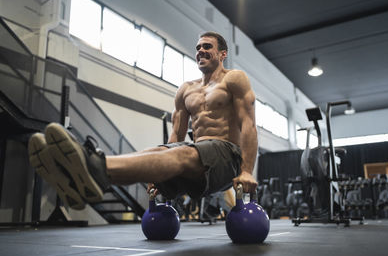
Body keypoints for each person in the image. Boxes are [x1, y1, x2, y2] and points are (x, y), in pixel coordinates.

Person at [28, 31, 258, 210]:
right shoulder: (186, 89)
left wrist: (247, 171)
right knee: (155, 150)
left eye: (207, 46)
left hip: (227, 158)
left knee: (185, 153)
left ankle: (95, 165)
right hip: (197, 155)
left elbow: (248, 124)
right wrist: (159, 172)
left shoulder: (234, 79)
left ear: (222, 54)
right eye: (198, 48)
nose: (201, 51)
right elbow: (176, 137)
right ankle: (83, 176)